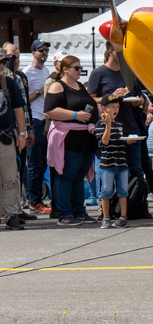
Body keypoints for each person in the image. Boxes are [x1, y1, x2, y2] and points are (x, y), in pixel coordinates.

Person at [44, 55, 98, 227]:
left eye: (80, 68)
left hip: (84, 136)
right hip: (68, 137)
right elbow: (50, 111)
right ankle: (64, 214)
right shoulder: (57, 86)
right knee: (66, 175)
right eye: (76, 68)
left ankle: (78, 211)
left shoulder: (80, 86)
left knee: (78, 175)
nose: (79, 71)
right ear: (65, 69)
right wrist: (75, 115)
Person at [88, 48, 146, 181]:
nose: (124, 54)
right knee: (109, 172)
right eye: (120, 51)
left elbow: (141, 97)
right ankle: (109, 201)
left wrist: (139, 101)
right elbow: (90, 99)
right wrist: (112, 96)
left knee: (135, 169)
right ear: (110, 52)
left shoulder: (129, 72)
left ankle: (135, 200)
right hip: (110, 129)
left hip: (131, 127)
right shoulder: (98, 73)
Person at [0, 49, 28, 230]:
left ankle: (11, 215)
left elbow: (19, 109)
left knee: (11, 178)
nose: (2, 65)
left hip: (6, 138)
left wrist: (22, 133)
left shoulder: (8, 83)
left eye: (2, 62)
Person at [23, 40, 50, 214]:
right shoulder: (27, 72)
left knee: (42, 164)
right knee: (34, 163)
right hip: (34, 120)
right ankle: (34, 200)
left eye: (46, 50)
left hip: (45, 120)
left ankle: (37, 199)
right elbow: (24, 99)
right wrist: (41, 91)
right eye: (41, 50)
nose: (44, 53)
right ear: (33, 52)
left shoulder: (46, 71)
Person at [95, 96, 131, 229]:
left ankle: (123, 216)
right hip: (107, 163)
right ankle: (106, 217)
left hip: (121, 162)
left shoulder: (120, 125)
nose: (116, 109)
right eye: (113, 107)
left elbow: (120, 141)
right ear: (104, 109)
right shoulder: (100, 124)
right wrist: (108, 124)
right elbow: (104, 141)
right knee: (106, 191)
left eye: (117, 107)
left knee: (123, 191)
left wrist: (128, 141)